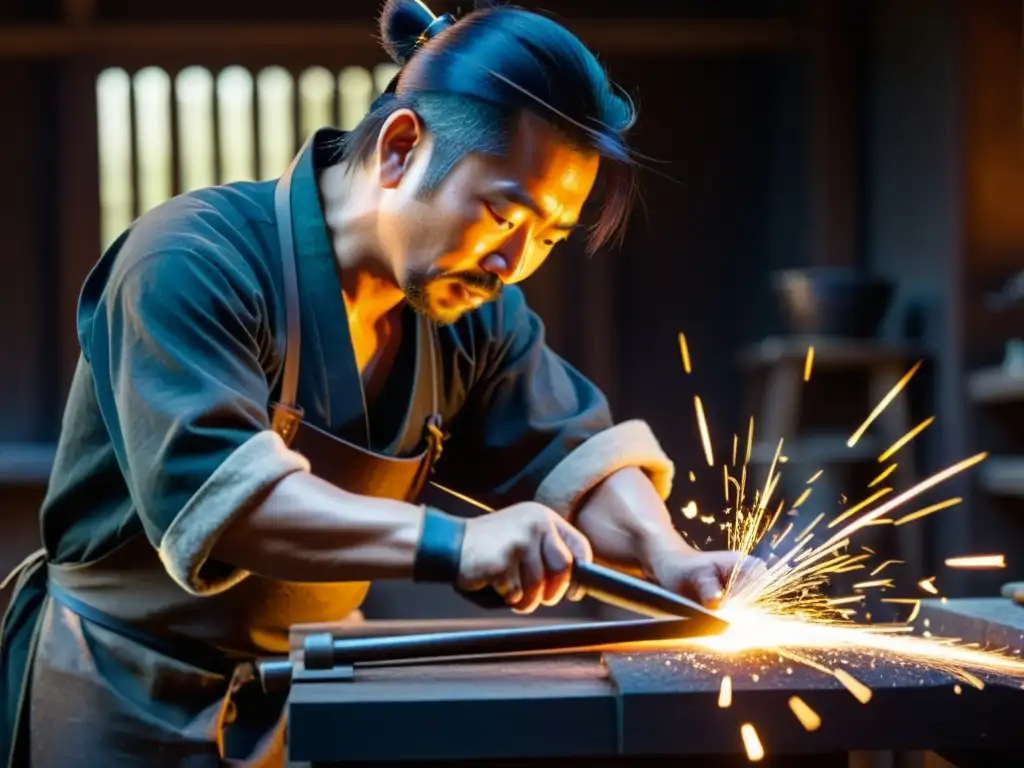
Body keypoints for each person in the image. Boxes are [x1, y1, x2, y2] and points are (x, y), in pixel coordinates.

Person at [0, 0, 757, 764]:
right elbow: (224, 506)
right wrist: (458, 543)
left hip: (310, 686)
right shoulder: (187, 262)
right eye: (502, 213)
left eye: (549, 239)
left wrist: (668, 557)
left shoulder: (469, 316)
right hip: (123, 689)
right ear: (400, 148)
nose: (513, 261)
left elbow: (572, 452)